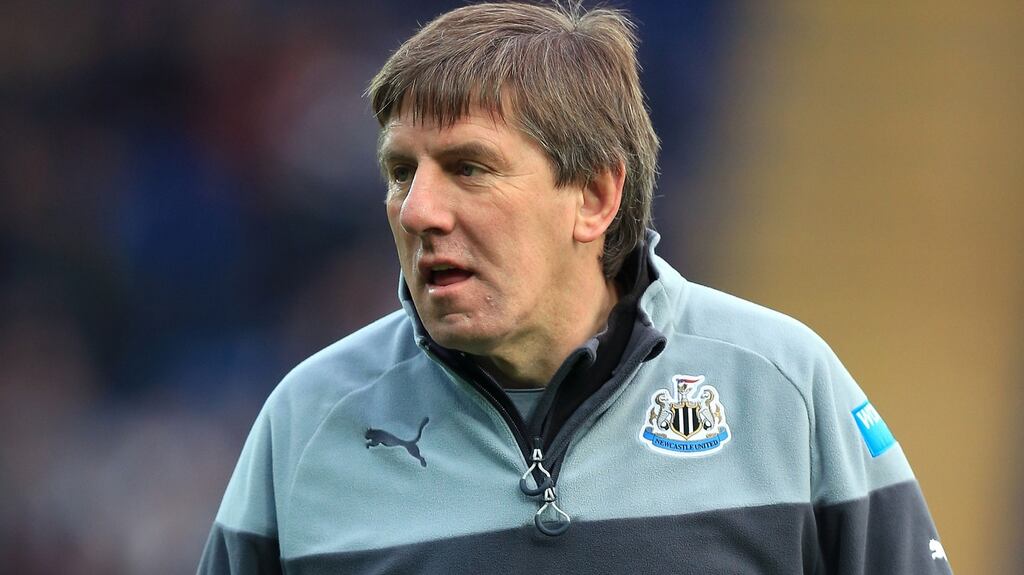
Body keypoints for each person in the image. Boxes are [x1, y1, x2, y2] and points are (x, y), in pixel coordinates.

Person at [198, 3, 952, 573]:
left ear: (594, 196)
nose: (418, 210)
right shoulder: (308, 422)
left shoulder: (783, 386)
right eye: (401, 172)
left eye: (468, 167)